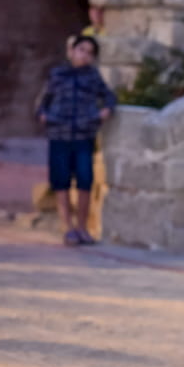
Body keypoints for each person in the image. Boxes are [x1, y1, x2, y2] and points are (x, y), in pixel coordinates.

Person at [36, 35, 116, 246]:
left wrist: (104, 112)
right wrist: (45, 116)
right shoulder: (57, 74)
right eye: (81, 50)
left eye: (90, 53)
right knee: (61, 181)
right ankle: (68, 228)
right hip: (59, 135)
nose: (84, 55)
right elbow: (42, 101)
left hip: (83, 135)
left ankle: (82, 228)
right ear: (72, 51)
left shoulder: (93, 77)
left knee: (84, 181)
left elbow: (109, 96)